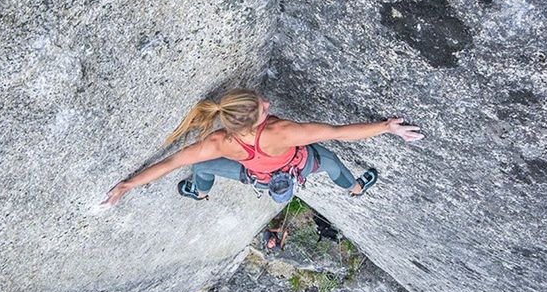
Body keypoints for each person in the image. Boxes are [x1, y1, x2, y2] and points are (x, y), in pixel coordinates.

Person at [102, 88, 423, 207]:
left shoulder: (220, 141)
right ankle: (354, 189)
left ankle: (199, 193)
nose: (268, 103)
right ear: (254, 123)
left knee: (200, 166)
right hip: (299, 164)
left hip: (256, 176)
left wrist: (129, 185)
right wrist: (386, 127)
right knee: (332, 162)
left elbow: (171, 162)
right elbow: (338, 132)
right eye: (264, 109)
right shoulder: (280, 133)